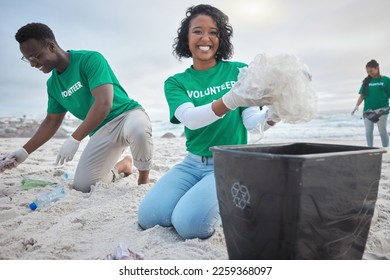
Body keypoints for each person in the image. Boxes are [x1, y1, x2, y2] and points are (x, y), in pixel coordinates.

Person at [138, 4, 277, 240]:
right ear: (186, 37)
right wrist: (230, 99)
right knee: (150, 217)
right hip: (192, 163)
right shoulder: (176, 82)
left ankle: (239, 193)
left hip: (230, 163)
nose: (206, 38)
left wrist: (275, 114)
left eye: (213, 32)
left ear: (221, 38)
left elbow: (253, 123)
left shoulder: (240, 71)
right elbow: (191, 120)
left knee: (190, 225)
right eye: (197, 31)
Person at [2, 22, 153, 192]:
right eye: (28, 59)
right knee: (83, 186)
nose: (33, 64)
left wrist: (75, 138)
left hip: (127, 116)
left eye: (35, 57)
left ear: (51, 47)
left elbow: (103, 103)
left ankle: (143, 181)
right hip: (101, 130)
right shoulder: (53, 85)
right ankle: (124, 165)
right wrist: (24, 152)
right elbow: (52, 121)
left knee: (139, 131)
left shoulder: (90, 59)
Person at [352, 59, 390, 147]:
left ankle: (386, 149)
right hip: (368, 110)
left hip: (382, 110)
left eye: (371, 71)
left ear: (377, 68)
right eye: (368, 72)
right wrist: (357, 105)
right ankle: (370, 149)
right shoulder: (366, 81)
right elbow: (362, 96)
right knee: (368, 132)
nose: (369, 73)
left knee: (382, 131)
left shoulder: (386, 80)